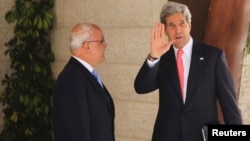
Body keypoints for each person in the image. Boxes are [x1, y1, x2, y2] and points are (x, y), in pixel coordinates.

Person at [134, 1, 242, 141]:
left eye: (181, 23)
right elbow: (141, 87)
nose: (177, 30)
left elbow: (230, 107)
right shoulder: (161, 59)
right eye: (171, 25)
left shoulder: (213, 57)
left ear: (189, 25)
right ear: (165, 30)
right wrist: (154, 56)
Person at [53, 23, 115, 141]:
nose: (105, 45)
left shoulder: (85, 75)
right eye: (102, 41)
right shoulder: (71, 79)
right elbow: (75, 133)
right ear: (87, 46)